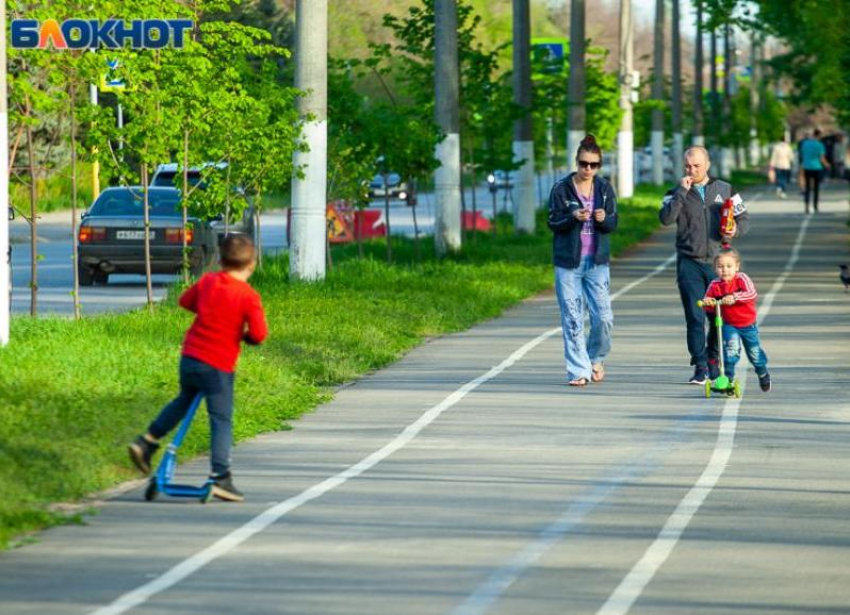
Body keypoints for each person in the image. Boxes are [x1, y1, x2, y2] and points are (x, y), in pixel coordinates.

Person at [128, 234, 268, 502]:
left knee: (183, 400)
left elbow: (185, 301)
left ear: (219, 259)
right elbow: (260, 334)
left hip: (190, 357)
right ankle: (220, 477)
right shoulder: (248, 296)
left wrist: (209, 310)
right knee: (221, 420)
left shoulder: (208, 282)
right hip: (218, 366)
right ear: (252, 264)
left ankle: (147, 441)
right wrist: (245, 336)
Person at [659, 146, 749, 385]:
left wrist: (735, 229)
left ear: (707, 165)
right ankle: (699, 365)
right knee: (695, 316)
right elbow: (665, 218)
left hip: (719, 265)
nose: (692, 170)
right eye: (688, 166)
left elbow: (744, 219)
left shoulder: (726, 189)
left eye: (697, 166)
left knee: (719, 316)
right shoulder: (674, 191)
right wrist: (681, 192)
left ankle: (713, 358)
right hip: (689, 262)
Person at [548, 134, 619, 387]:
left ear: (599, 165)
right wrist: (572, 216)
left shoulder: (604, 189)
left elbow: (613, 222)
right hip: (568, 263)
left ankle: (595, 357)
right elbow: (552, 222)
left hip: (597, 263)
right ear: (576, 162)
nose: (588, 169)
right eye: (583, 163)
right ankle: (578, 370)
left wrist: (603, 219)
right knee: (572, 317)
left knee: (604, 317)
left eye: (593, 164)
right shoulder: (561, 188)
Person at [701, 247, 771, 392]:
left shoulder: (742, 279)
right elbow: (708, 301)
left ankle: (762, 372)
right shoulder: (715, 285)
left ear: (737, 267)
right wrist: (708, 302)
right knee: (731, 350)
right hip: (728, 324)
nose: (725, 270)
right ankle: (728, 378)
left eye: (728, 266)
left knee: (754, 353)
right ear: (715, 268)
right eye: (720, 267)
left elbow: (751, 294)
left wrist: (734, 297)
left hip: (747, 324)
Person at [799, 129, 830, 213]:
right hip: (817, 167)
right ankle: (815, 206)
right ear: (819, 135)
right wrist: (827, 165)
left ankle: (806, 206)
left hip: (806, 166)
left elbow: (802, 154)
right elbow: (821, 158)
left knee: (807, 188)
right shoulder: (820, 145)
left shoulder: (805, 143)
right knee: (816, 188)